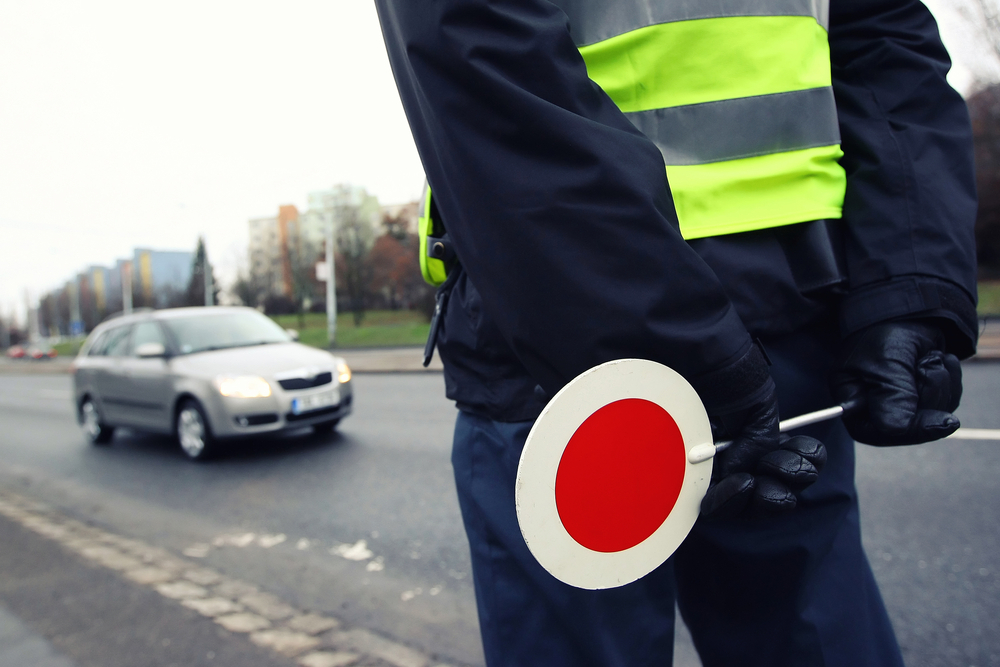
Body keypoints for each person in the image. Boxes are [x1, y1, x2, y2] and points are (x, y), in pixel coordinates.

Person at [375, 0, 978, 665]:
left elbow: (470, 41)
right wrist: (909, 274)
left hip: (577, 325)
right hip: (601, 341)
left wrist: (910, 289)